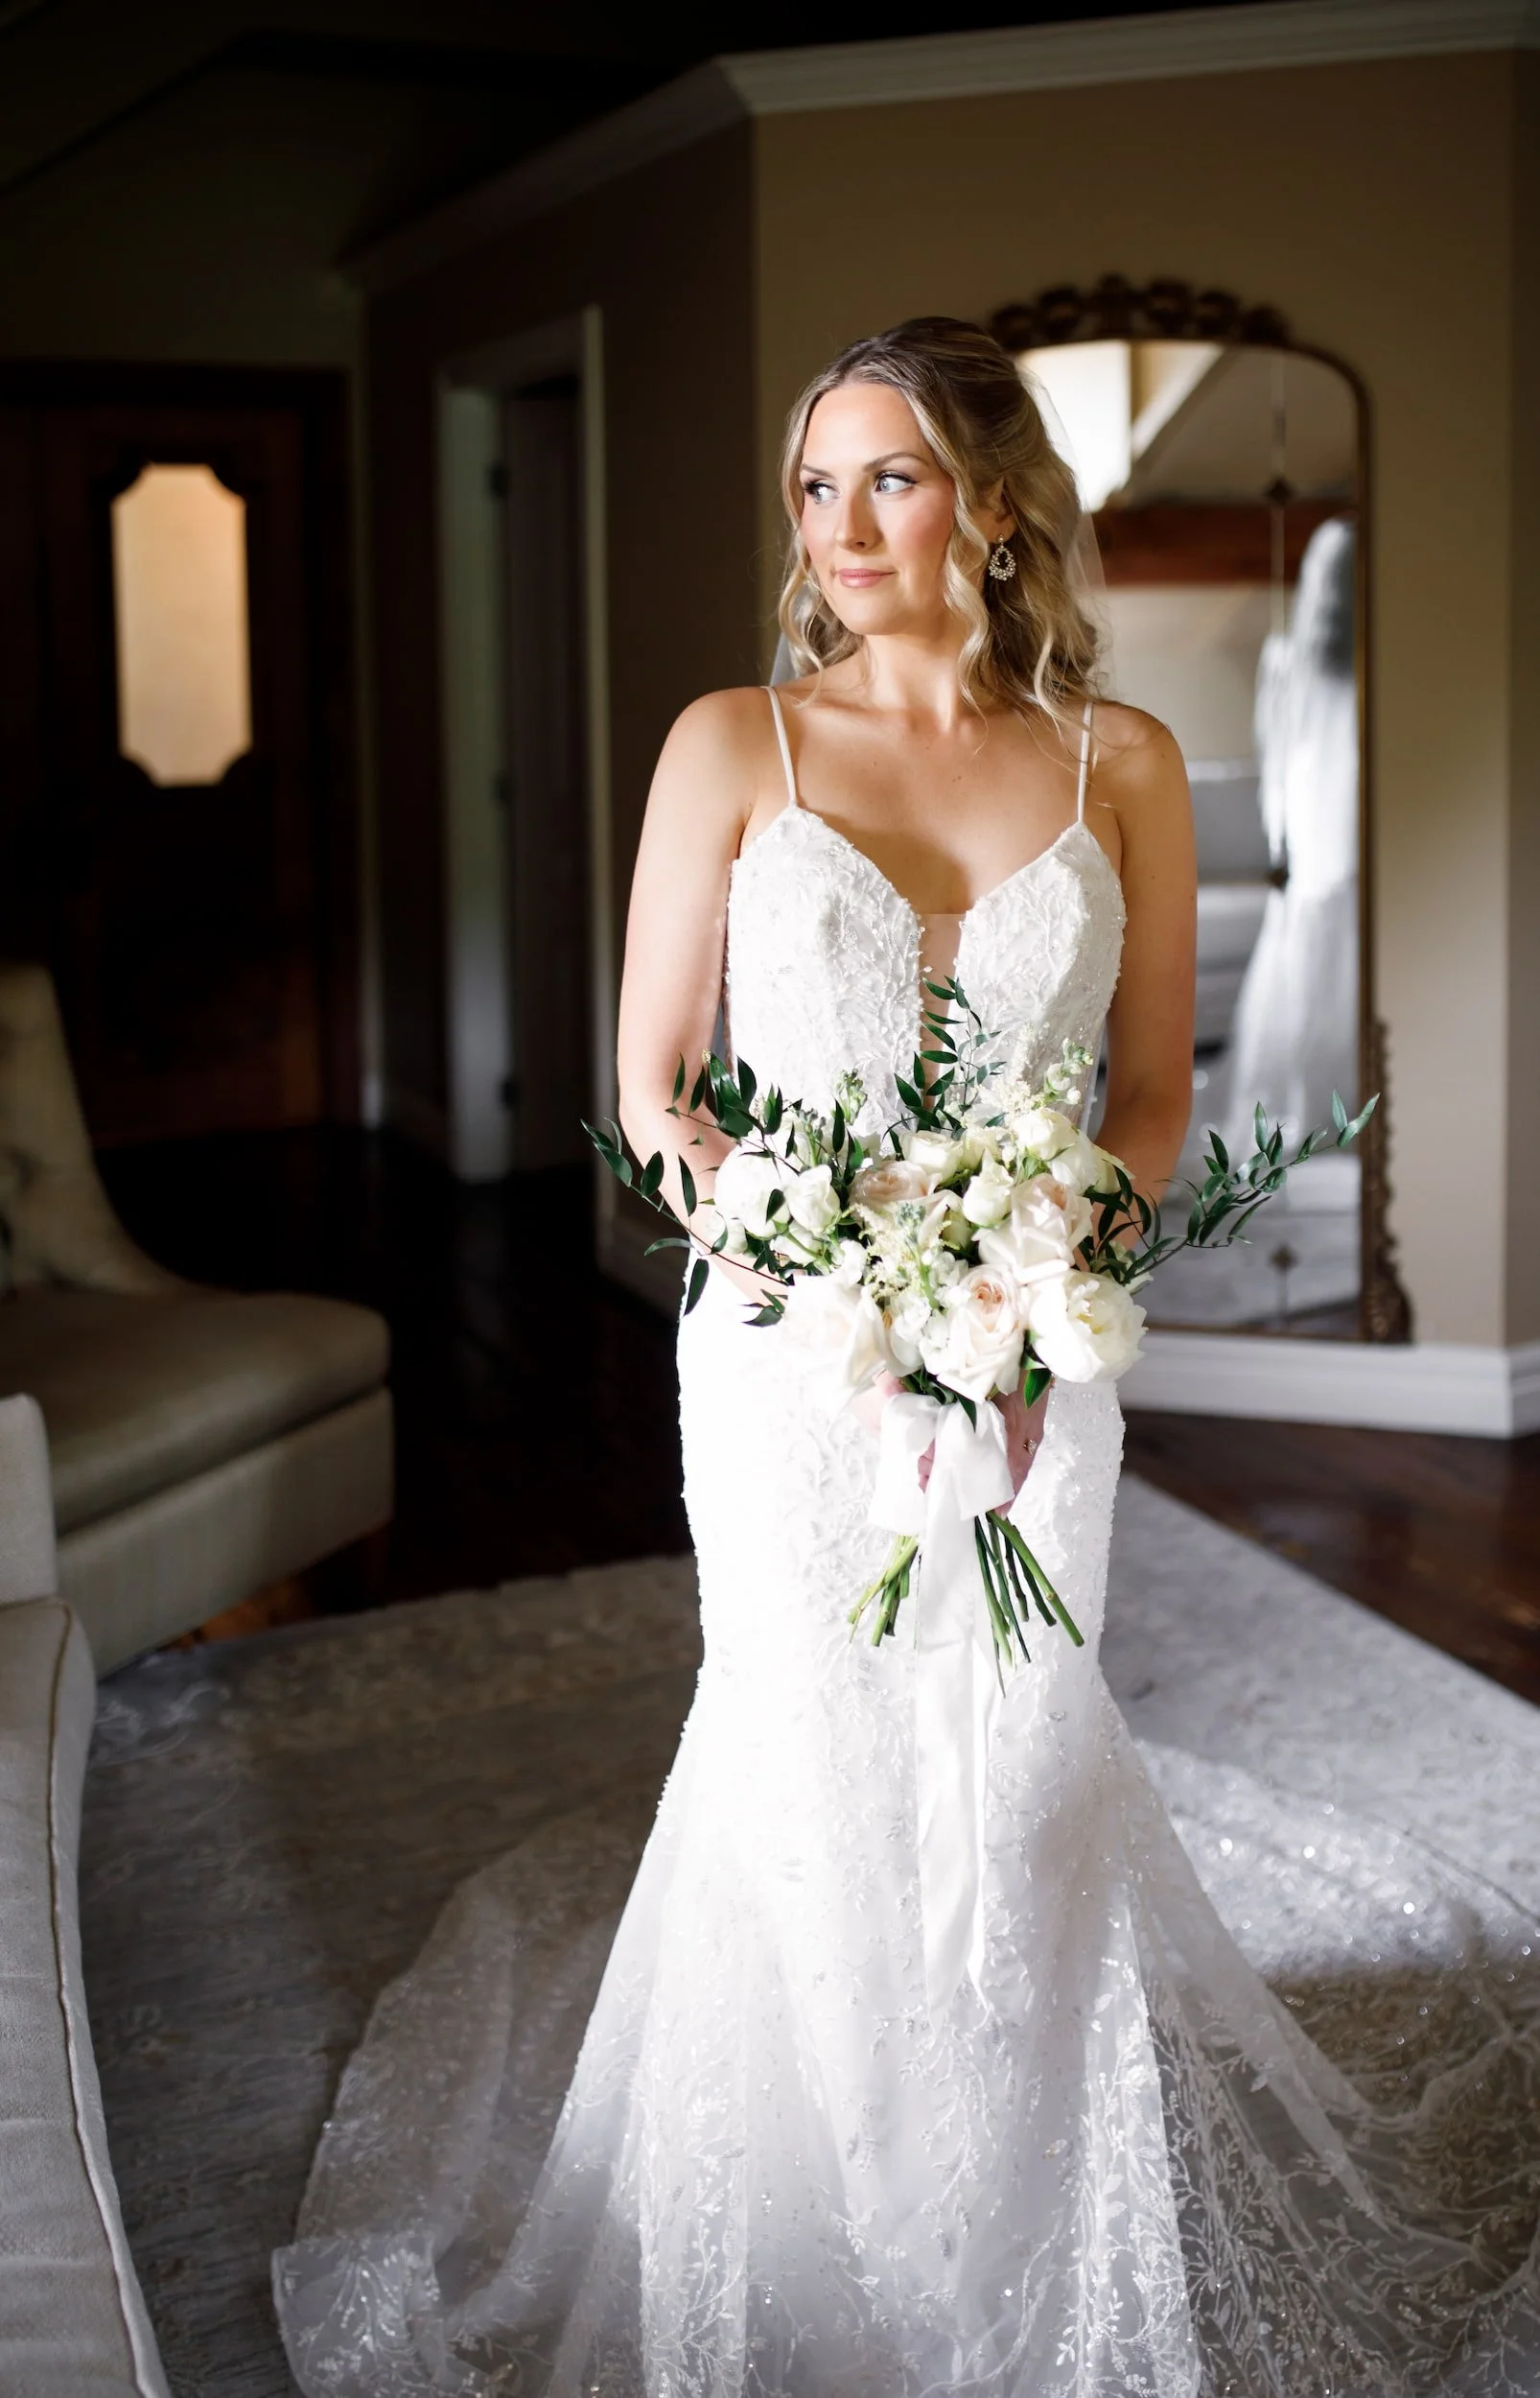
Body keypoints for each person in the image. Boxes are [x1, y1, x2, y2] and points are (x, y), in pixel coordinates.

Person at [275, 318, 1540, 2397]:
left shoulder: (1114, 763)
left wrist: (1048, 1274)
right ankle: (819, 2232)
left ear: (988, 493)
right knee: (816, 1745)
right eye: (812, 485)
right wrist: (798, 1246)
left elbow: (1146, 1093)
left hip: (1040, 1348)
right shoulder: (731, 744)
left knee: (1021, 1744)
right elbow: (655, 1079)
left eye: (887, 476)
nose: (842, 525)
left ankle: (1038, 2212)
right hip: (786, 1360)